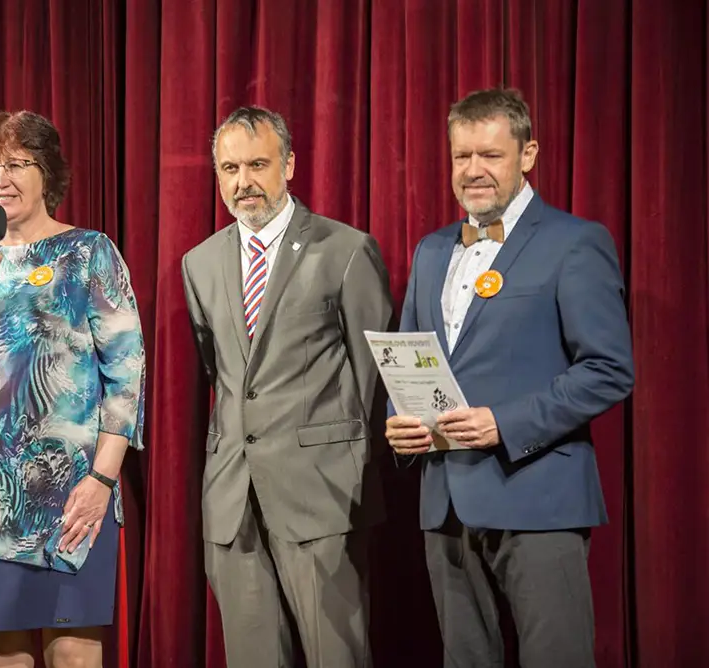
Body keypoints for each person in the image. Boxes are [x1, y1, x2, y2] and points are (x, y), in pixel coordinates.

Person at [385, 88, 634, 668]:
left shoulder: (575, 243)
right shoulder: (431, 251)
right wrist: (402, 430)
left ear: (528, 155)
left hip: (539, 499)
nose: (473, 170)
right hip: (445, 505)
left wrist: (505, 423)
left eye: (490, 156)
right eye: (461, 156)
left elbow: (609, 369)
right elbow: (411, 365)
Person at [0, 110, 145, 668]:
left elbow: (127, 378)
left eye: (16, 164)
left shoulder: (89, 253)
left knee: (74, 656)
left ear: (49, 174)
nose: (0, 179)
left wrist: (102, 480)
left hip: (71, 498)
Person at [181, 106, 393, 667]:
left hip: (322, 498)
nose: (243, 182)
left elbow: (377, 380)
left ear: (290, 165)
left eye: (257, 164)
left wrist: (362, 476)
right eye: (229, 168)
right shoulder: (198, 264)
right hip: (232, 500)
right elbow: (220, 373)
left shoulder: (346, 250)